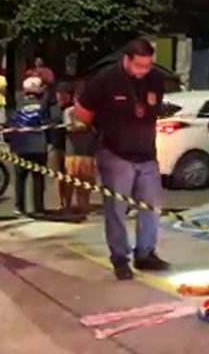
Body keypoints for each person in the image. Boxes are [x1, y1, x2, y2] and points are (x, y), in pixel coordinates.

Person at [73, 38, 171, 280]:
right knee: (116, 209)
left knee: (151, 206)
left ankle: (145, 253)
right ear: (126, 59)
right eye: (139, 65)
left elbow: (154, 108)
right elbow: (82, 111)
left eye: (147, 66)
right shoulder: (105, 79)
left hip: (146, 154)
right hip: (114, 153)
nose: (143, 71)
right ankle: (120, 258)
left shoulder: (155, 79)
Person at [6, 76, 48, 216]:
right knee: (38, 179)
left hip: (20, 147)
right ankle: (38, 208)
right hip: (39, 147)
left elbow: (10, 126)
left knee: (20, 179)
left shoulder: (18, 107)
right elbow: (47, 123)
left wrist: (11, 143)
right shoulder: (42, 107)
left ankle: (19, 207)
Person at [63, 100, 97, 216]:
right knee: (70, 179)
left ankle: (84, 205)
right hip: (73, 151)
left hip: (88, 151)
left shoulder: (92, 111)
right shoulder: (69, 111)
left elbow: (96, 127)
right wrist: (84, 125)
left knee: (87, 180)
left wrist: (85, 125)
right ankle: (67, 206)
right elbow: (69, 127)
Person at [46, 82, 72, 210]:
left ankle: (68, 203)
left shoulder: (72, 109)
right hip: (56, 146)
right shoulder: (52, 109)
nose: (61, 97)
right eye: (59, 94)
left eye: (64, 94)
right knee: (58, 176)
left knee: (69, 177)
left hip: (70, 147)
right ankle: (60, 203)